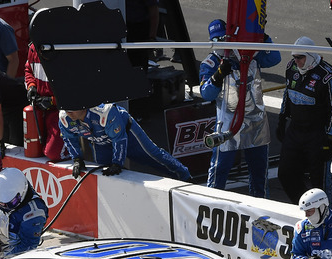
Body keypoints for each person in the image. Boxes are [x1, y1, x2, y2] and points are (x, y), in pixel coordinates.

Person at [199, 19, 281, 198]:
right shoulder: (210, 63)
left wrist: (262, 36)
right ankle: (211, 207)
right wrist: (218, 75)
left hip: (255, 123)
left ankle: (261, 213)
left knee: (259, 175)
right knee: (218, 173)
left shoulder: (249, 53)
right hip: (228, 125)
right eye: (216, 40)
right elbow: (206, 94)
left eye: (223, 39)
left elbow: (275, 58)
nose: (221, 44)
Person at [277, 36, 332, 204]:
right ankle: (305, 207)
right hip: (295, 131)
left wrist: (330, 137)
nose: (297, 62)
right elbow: (287, 93)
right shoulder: (291, 68)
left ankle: (325, 214)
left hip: (317, 136)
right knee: (285, 174)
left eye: (300, 57)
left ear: (311, 55)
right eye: (295, 57)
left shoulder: (328, 77)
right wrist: (282, 118)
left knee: (319, 184)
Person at [59, 104, 191, 181]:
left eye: (72, 107)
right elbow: (69, 138)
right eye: (66, 108)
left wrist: (117, 163)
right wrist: (77, 159)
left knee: (153, 155)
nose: (68, 111)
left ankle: (186, 176)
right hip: (99, 142)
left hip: (127, 134)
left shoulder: (104, 112)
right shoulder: (64, 118)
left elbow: (119, 139)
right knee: (103, 173)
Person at [24, 43, 68, 162]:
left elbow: (75, 85)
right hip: (41, 108)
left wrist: (53, 101)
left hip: (63, 111)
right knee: (34, 149)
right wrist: (31, 87)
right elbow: (28, 70)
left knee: (52, 153)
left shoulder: (64, 46)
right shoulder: (33, 47)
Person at [0, 167, 48, 258]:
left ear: (21, 194)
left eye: (11, 203)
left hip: (14, 254)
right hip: (2, 243)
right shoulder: (5, 178)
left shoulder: (33, 214)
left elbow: (29, 245)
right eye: (1, 203)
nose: (5, 207)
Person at [124, 0, 159, 72]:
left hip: (138, 30)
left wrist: (152, 37)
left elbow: (154, 12)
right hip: (120, 27)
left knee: (139, 64)